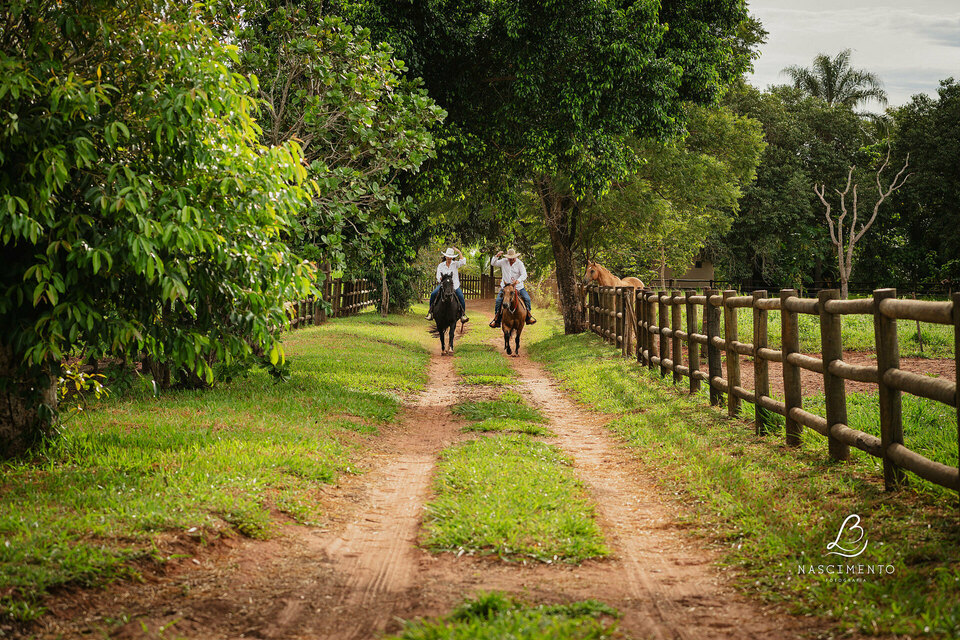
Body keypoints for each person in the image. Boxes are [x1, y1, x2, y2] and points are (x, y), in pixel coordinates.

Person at [488, 248, 536, 327]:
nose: (511, 260)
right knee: (498, 301)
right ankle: (497, 319)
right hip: (505, 288)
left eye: (513, 258)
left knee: (527, 299)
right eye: (510, 258)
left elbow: (524, 274)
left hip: (518, 287)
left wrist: (518, 281)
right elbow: (493, 263)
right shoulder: (503, 261)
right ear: (507, 258)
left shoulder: (519, 263)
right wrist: (496, 256)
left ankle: (528, 317)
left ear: (515, 257)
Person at [426, 247, 469, 322]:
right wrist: (440, 279)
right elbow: (438, 275)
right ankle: (430, 312)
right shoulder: (441, 265)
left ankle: (463, 315)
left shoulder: (455, 264)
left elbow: (463, 262)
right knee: (433, 294)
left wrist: (459, 252)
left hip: (454, 286)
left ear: (452, 258)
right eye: (448, 257)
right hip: (444, 285)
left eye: (451, 257)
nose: (449, 258)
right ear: (445, 256)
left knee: (461, 297)